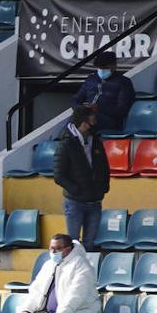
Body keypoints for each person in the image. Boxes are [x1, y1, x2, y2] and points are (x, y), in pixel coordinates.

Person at [16, 234, 101, 313]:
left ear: (68, 249)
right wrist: (27, 309)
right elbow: (36, 290)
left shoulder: (82, 265)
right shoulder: (48, 264)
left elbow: (77, 294)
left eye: (58, 249)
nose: (53, 252)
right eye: (51, 248)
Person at [53, 106, 111, 252]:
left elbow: (104, 166)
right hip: (75, 201)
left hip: (94, 200)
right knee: (72, 243)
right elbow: (59, 175)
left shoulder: (95, 141)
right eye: (92, 119)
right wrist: (76, 190)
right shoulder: (66, 143)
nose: (95, 122)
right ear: (84, 123)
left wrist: (103, 187)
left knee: (89, 243)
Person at [71, 53, 135, 133]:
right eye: (99, 68)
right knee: (75, 118)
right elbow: (76, 99)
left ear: (114, 66)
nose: (101, 70)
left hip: (109, 120)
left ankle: (73, 140)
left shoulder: (123, 82)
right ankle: (63, 140)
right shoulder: (91, 80)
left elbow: (122, 110)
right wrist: (81, 108)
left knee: (88, 119)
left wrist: (99, 108)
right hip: (87, 115)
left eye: (105, 68)